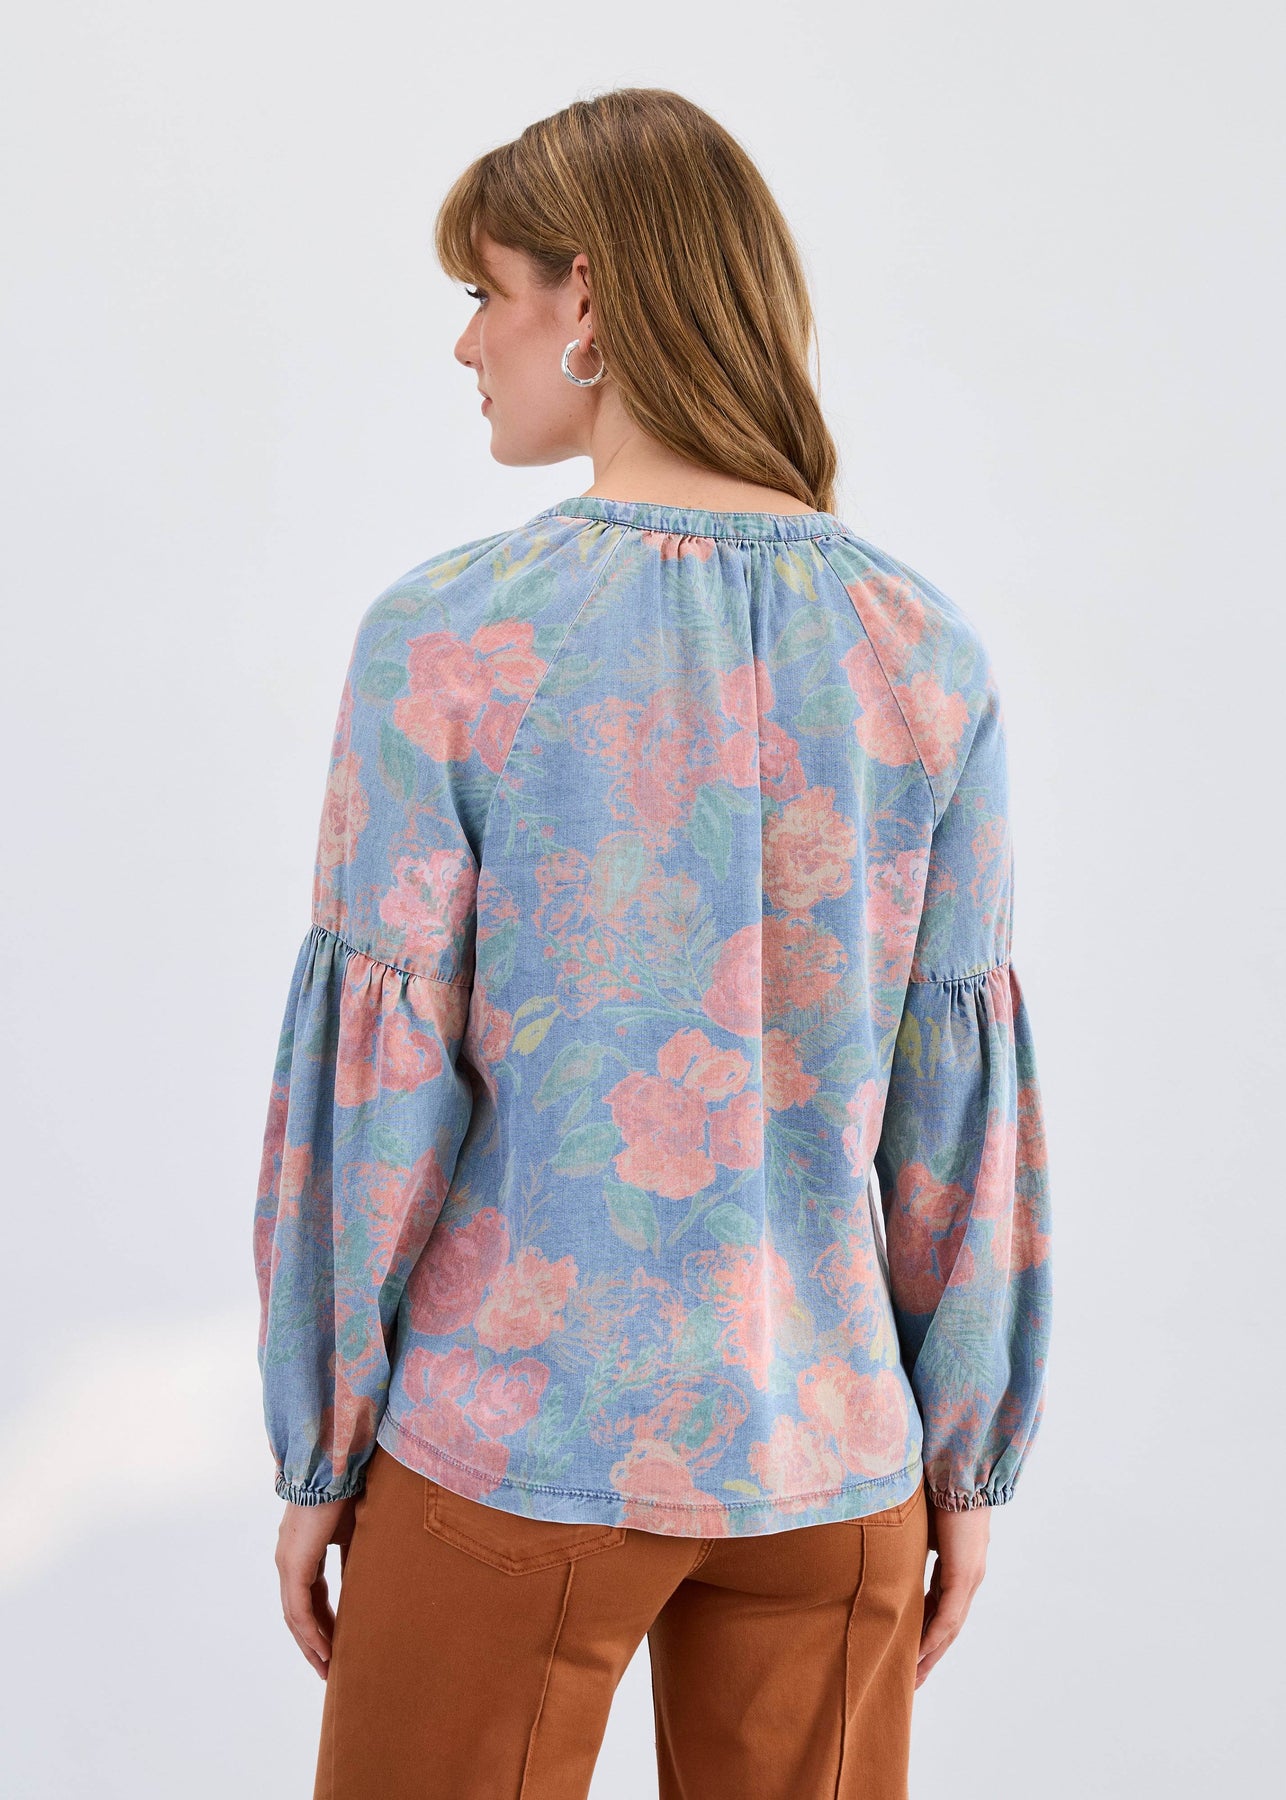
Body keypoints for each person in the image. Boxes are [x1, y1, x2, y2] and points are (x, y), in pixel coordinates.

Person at [253, 86, 1053, 1800]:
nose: (465, 344)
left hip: (513, 1445)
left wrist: (318, 1449)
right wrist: (961, 1465)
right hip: (832, 1462)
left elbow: (378, 1098)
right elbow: (954, 1115)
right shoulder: (922, 651)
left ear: (590, 301)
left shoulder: (449, 637)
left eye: (484, 292)